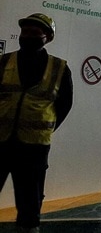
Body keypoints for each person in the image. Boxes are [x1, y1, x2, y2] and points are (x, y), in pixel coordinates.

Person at [0, 13, 74, 233]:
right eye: (25, 32)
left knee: (30, 198)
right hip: (1, 140)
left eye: (35, 33)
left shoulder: (60, 68)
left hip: (34, 146)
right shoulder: (4, 62)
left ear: (47, 37)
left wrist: (45, 125)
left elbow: (64, 105)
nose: (28, 36)